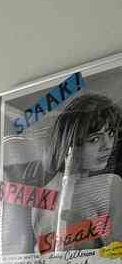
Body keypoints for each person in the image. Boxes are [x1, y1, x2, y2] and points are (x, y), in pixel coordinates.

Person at [31, 93, 122, 253]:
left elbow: (44, 256)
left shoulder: (40, 197)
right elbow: (117, 256)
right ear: (70, 143)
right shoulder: (109, 184)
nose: (108, 145)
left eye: (111, 134)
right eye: (94, 139)